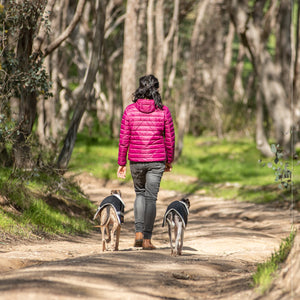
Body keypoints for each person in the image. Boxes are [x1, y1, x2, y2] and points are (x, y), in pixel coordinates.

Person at [117, 74, 175, 250]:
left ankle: (138, 234)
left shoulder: (130, 111)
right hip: (157, 160)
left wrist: (121, 163)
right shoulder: (163, 111)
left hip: (135, 160)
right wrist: (169, 161)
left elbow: (124, 138)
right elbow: (170, 139)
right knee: (151, 198)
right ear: (156, 89)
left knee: (139, 194)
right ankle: (147, 241)